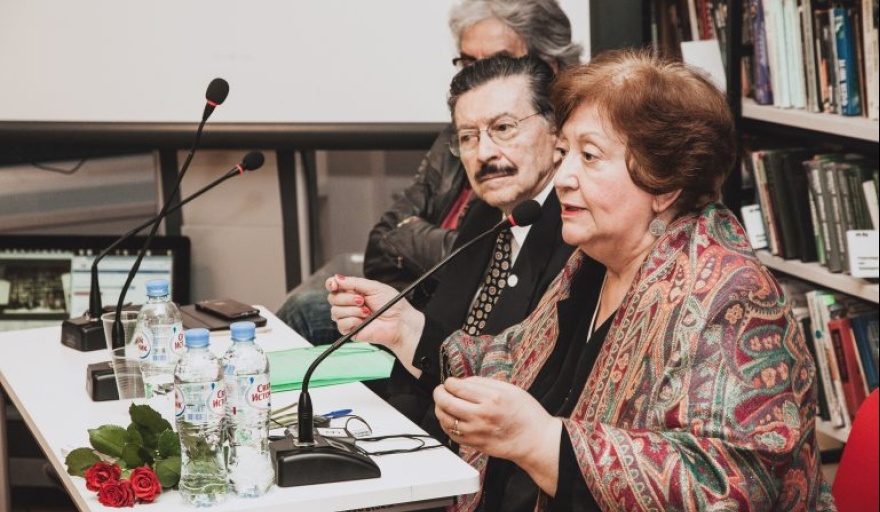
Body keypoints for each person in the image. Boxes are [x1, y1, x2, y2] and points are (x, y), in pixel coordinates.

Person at [328, 49, 835, 511]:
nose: (565, 176)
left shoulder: (730, 295)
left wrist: (542, 441)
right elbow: (512, 362)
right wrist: (405, 328)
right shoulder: (592, 265)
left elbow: (731, 485)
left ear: (664, 184)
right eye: (564, 152)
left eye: (589, 156)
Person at [275, 0, 582, 345]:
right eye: (468, 63)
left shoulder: (567, 194)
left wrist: (422, 244)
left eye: (503, 127)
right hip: (427, 307)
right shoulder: (467, 157)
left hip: (456, 322)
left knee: (309, 312)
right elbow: (382, 242)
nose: (483, 151)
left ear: (547, 71)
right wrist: (407, 321)